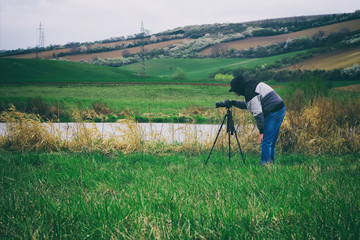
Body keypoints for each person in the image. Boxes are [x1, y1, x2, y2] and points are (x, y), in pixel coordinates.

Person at [229, 75, 285, 165]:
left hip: (274, 111)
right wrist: (233, 102)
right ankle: (270, 165)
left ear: (238, 88)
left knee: (265, 141)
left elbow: (258, 114)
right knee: (271, 142)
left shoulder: (250, 93)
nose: (234, 92)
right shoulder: (251, 86)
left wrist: (261, 132)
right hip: (279, 109)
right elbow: (247, 104)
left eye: (234, 90)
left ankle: (265, 166)